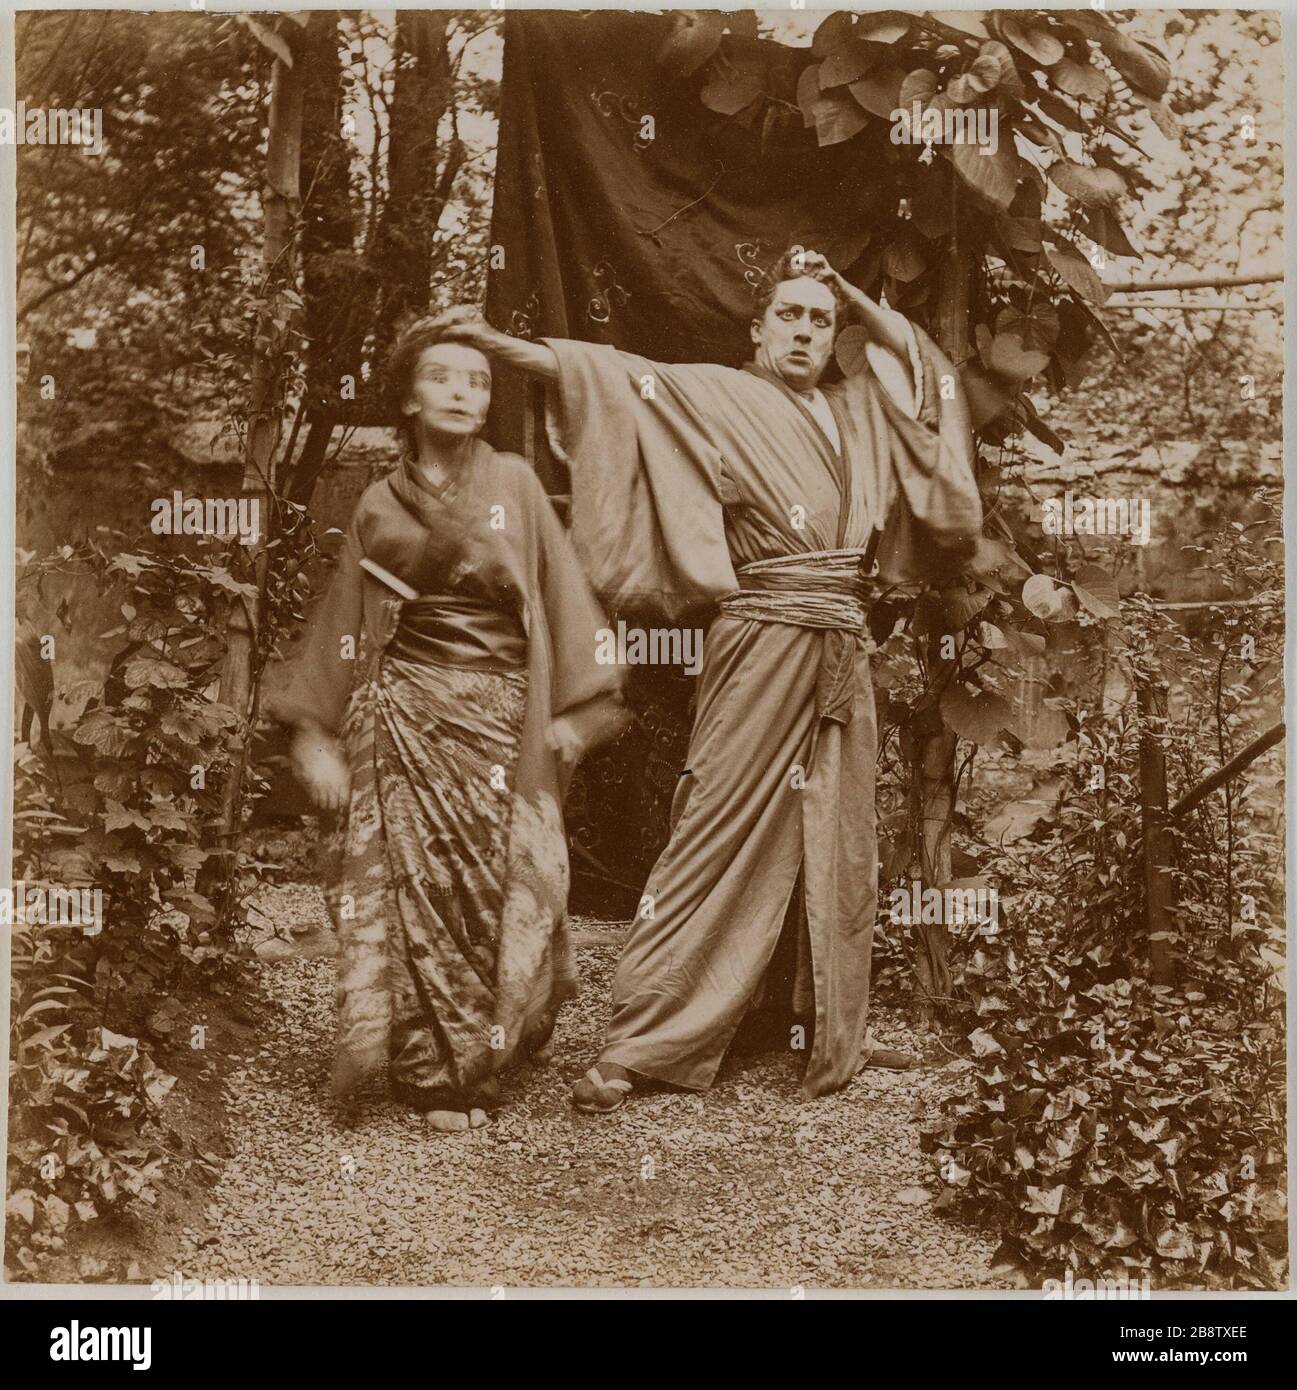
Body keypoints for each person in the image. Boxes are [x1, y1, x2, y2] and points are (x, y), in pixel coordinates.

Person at [440, 248, 982, 1110]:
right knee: (714, 827)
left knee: (839, 833)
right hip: (762, 635)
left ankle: (823, 1022)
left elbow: (928, 384)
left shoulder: (860, 414)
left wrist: (855, 299)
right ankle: (643, 1039)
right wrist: (492, 344)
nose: (804, 331)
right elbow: (604, 378)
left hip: (840, 641)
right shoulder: (715, 393)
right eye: (789, 316)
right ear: (757, 331)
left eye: (819, 320)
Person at [268, 310, 625, 1131]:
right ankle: (438, 1074)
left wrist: (581, 706)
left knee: (493, 886)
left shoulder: (517, 487)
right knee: (415, 892)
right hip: (406, 715)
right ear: (408, 399)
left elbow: (560, 591)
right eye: (442, 377)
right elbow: (343, 620)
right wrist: (314, 730)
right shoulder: (378, 505)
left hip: (501, 717)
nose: (463, 392)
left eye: (477, 380)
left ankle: (490, 1036)